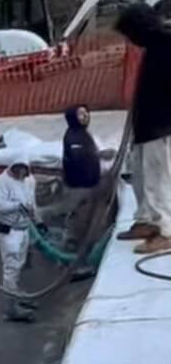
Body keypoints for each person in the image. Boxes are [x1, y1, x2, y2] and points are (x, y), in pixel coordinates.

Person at [116, 3, 171, 255]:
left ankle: (166, 230)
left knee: (157, 181)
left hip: (159, 126)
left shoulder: (166, 45)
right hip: (145, 126)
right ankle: (146, 220)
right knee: (140, 176)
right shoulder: (153, 47)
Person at [0, 160, 38, 322]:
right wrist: (17, 206)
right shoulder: (2, 182)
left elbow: (32, 202)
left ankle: (17, 295)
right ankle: (10, 307)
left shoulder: (29, 181)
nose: (22, 173)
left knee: (19, 264)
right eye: (19, 169)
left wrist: (38, 220)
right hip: (9, 230)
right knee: (11, 268)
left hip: (24, 228)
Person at [62, 105, 102, 259]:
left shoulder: (84, 134)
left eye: (86, 112)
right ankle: (67, 261)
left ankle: (81, 258)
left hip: (88, 186)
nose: (85, 116)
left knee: (85, 224)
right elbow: (79, 159)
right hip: (79, 188)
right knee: (76, 225)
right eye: (80, 114)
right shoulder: (73, 136)